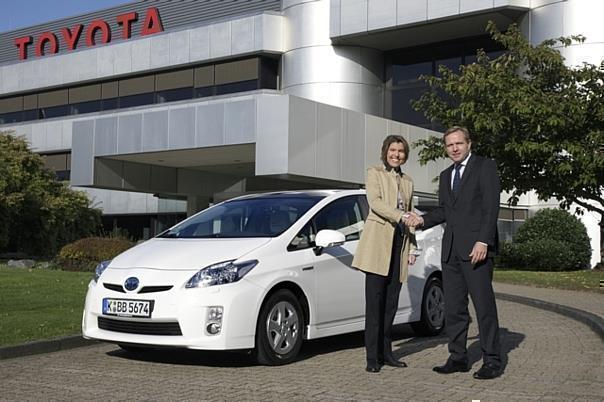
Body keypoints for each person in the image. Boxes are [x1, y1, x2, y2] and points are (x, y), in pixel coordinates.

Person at [405, 126, 502, 380]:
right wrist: (421, 220)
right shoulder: (446, 175)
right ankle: (458, 357)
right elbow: (444, 212)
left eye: (459, 143)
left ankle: (492, 360)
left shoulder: (485, 167)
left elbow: (491, 208)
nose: (455, 148)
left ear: (469, 143)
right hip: (450, 252)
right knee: (454, 310)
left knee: (484, 307)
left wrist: (483, 241)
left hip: (476, 250)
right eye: (450, 145)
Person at [352, 135, 417, 373]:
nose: (396, 154)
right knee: (375, 304)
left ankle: (387, 353)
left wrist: (412, 246)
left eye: (400, 151)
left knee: (391, 304)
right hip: (378, 244)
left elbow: (410, 214)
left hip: (399, 244)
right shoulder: (374, 173)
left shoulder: (408, 181)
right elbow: (376, 203)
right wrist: (400, 216)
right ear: (385, 151)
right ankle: (372, 358)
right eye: (392, 150)